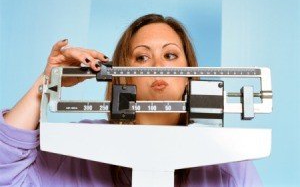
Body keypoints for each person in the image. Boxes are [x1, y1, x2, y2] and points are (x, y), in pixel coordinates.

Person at [0, 14, 262, 186]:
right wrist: (45, 81)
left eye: (170, 56)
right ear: (124, 76)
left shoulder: (226, 163)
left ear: (190, 75)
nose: (158, 66)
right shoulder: (80, 148)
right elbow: (6, 174)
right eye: (141, 57)